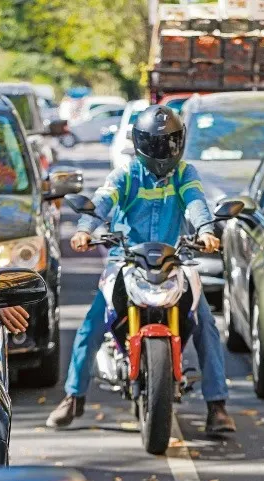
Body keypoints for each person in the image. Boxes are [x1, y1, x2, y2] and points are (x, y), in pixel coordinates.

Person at [46, 105, 237, 433]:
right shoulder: (126, 174)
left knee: (205, 323)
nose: (165, 151)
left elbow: (195, 203)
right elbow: (103, 200)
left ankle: (217, 405)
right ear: (141, 144)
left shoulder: (184, 174)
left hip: (175, 260)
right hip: (125, 260)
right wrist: (84, 230)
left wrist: (206, 231)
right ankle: (73, 396)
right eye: (157, 144)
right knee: (92, 324)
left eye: (171, 143)